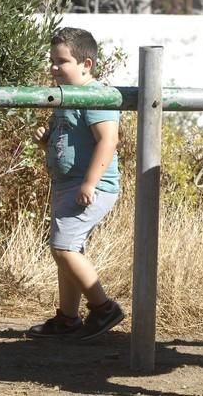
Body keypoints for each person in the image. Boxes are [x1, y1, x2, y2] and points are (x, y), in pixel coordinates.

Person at [27, 27, 124, 341]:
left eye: (62, 61)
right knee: (67, 251)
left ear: (86, 64)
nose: (54, 67)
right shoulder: (66, 96)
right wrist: (46, 143)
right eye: (52, 61)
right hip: (67, 184)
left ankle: (103, 307)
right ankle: (68, 319)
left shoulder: (95, 95)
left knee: (64, 248)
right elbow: (69, 140)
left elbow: (108, 140)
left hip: (89, 187)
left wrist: (89, 183)